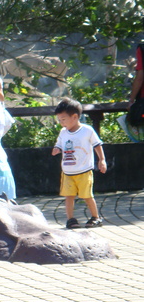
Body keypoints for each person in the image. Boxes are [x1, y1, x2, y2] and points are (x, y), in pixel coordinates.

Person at [52, 97, 107, 229]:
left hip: (84, 171)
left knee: (87, 196)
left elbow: (97, 145)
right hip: (67, 172)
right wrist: (56, 149)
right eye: (59, 120)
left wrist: (102, 160)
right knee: (68, 196)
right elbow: (59, 144)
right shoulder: (63, 132)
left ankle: (95, 217)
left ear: (75, 117)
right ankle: (70, 219)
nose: (61, 123)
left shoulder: (87, 130)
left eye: (63, 119)